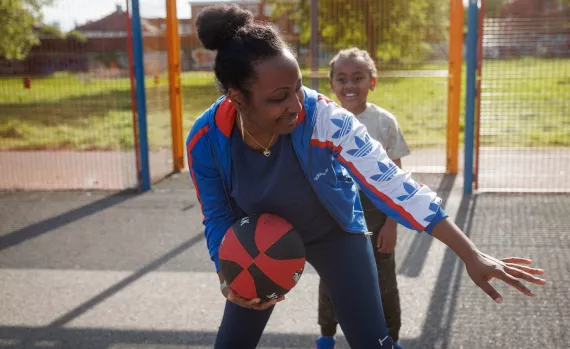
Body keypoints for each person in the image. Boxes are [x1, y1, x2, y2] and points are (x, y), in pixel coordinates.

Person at [186, 5, 546, 349]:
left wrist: (469, 253)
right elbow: (218, 216)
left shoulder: (323, 118)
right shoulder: (206, 141)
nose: (296, 104)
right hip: (259, 246)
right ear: (237, 97)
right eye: (278, 98)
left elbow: (393, 183)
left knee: (372, 341)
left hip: (334, 232)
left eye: (297, 87)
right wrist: (226, 274)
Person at [315, 48, 410, 349]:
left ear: (373, 81)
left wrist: (392, 224)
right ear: (331, 84)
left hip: (376, 212)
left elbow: (396, 180)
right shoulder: (321, 119)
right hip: (335, 212)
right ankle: (327, 336)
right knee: (333, 277)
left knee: (382, 281)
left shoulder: (384, 122)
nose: (350, 85)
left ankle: (390, 338)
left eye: (358, 77)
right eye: (341, 78)